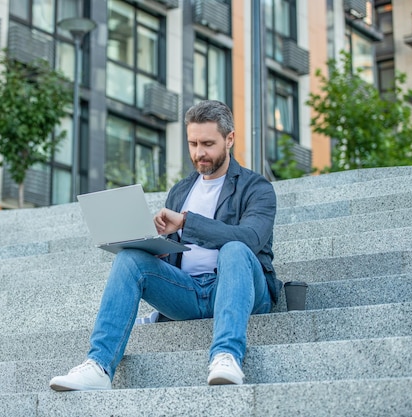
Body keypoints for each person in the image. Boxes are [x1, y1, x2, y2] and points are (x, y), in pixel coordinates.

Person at [49, 100, 282, 391]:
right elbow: (175, 257)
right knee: (130, 259)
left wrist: (186, 222)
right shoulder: (181, 191)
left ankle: (226, 354)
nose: (199, 153)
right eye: (193, 143)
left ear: (230, 139)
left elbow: (249, 240)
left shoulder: (256, 188)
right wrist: (155, 249)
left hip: (243, 289)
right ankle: (99, 366)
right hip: (189, 292)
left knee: (234, 249)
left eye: (208, 143)